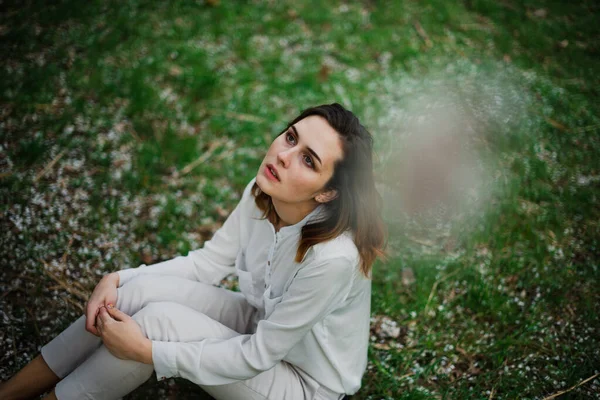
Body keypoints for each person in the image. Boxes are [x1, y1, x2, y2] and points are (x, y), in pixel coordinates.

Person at [0, 103, 386, 400]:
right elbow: (207, 264)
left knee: (156, 324)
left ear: (327, 192)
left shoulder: (332, 259)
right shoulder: (264, 190)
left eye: (308, 160)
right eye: (290, 137)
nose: (284, 155)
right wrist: (118, 278)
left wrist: (150, 353)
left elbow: (257, 355)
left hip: (303, 384)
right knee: (131, 295)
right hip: (259, 322)